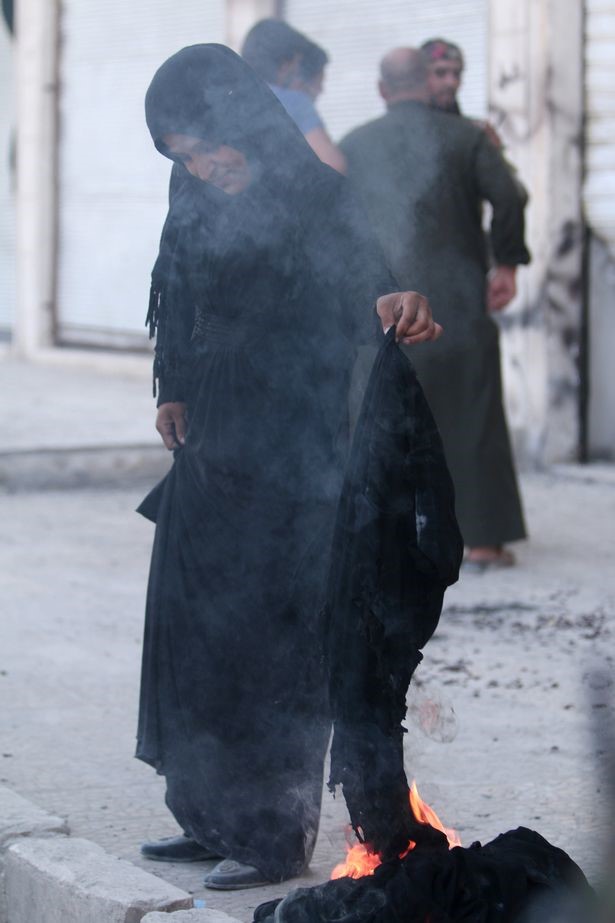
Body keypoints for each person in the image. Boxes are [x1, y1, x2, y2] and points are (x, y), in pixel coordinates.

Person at [137, 43, 441, 891]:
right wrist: (174, 384)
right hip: (210, 442)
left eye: (207, 147)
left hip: (292, 448)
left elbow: (369, 285)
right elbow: (177, 289)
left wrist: (396, 301)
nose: (203, 167)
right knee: (195, 627)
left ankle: (269, 833)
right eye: (184, 157)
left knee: (268, 633)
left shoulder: (318, 195)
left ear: (240, 120)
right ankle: (207, 815)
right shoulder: (191, 190)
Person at [340, 48, 530, 568]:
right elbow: (510, 197)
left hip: (383, 308)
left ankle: (382, 535)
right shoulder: (468, 137)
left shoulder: (352, 144)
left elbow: (336, 220)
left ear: (382, 90)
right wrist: (507, 264)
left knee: (379, 416)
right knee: (473, 416)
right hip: (457, 305)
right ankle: (484, 541)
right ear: (427, 83)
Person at [241, 19, 346, 172]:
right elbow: (333, 164)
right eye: (297, 64)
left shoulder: (228, 102)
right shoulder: (293, 102)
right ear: (286, 65)